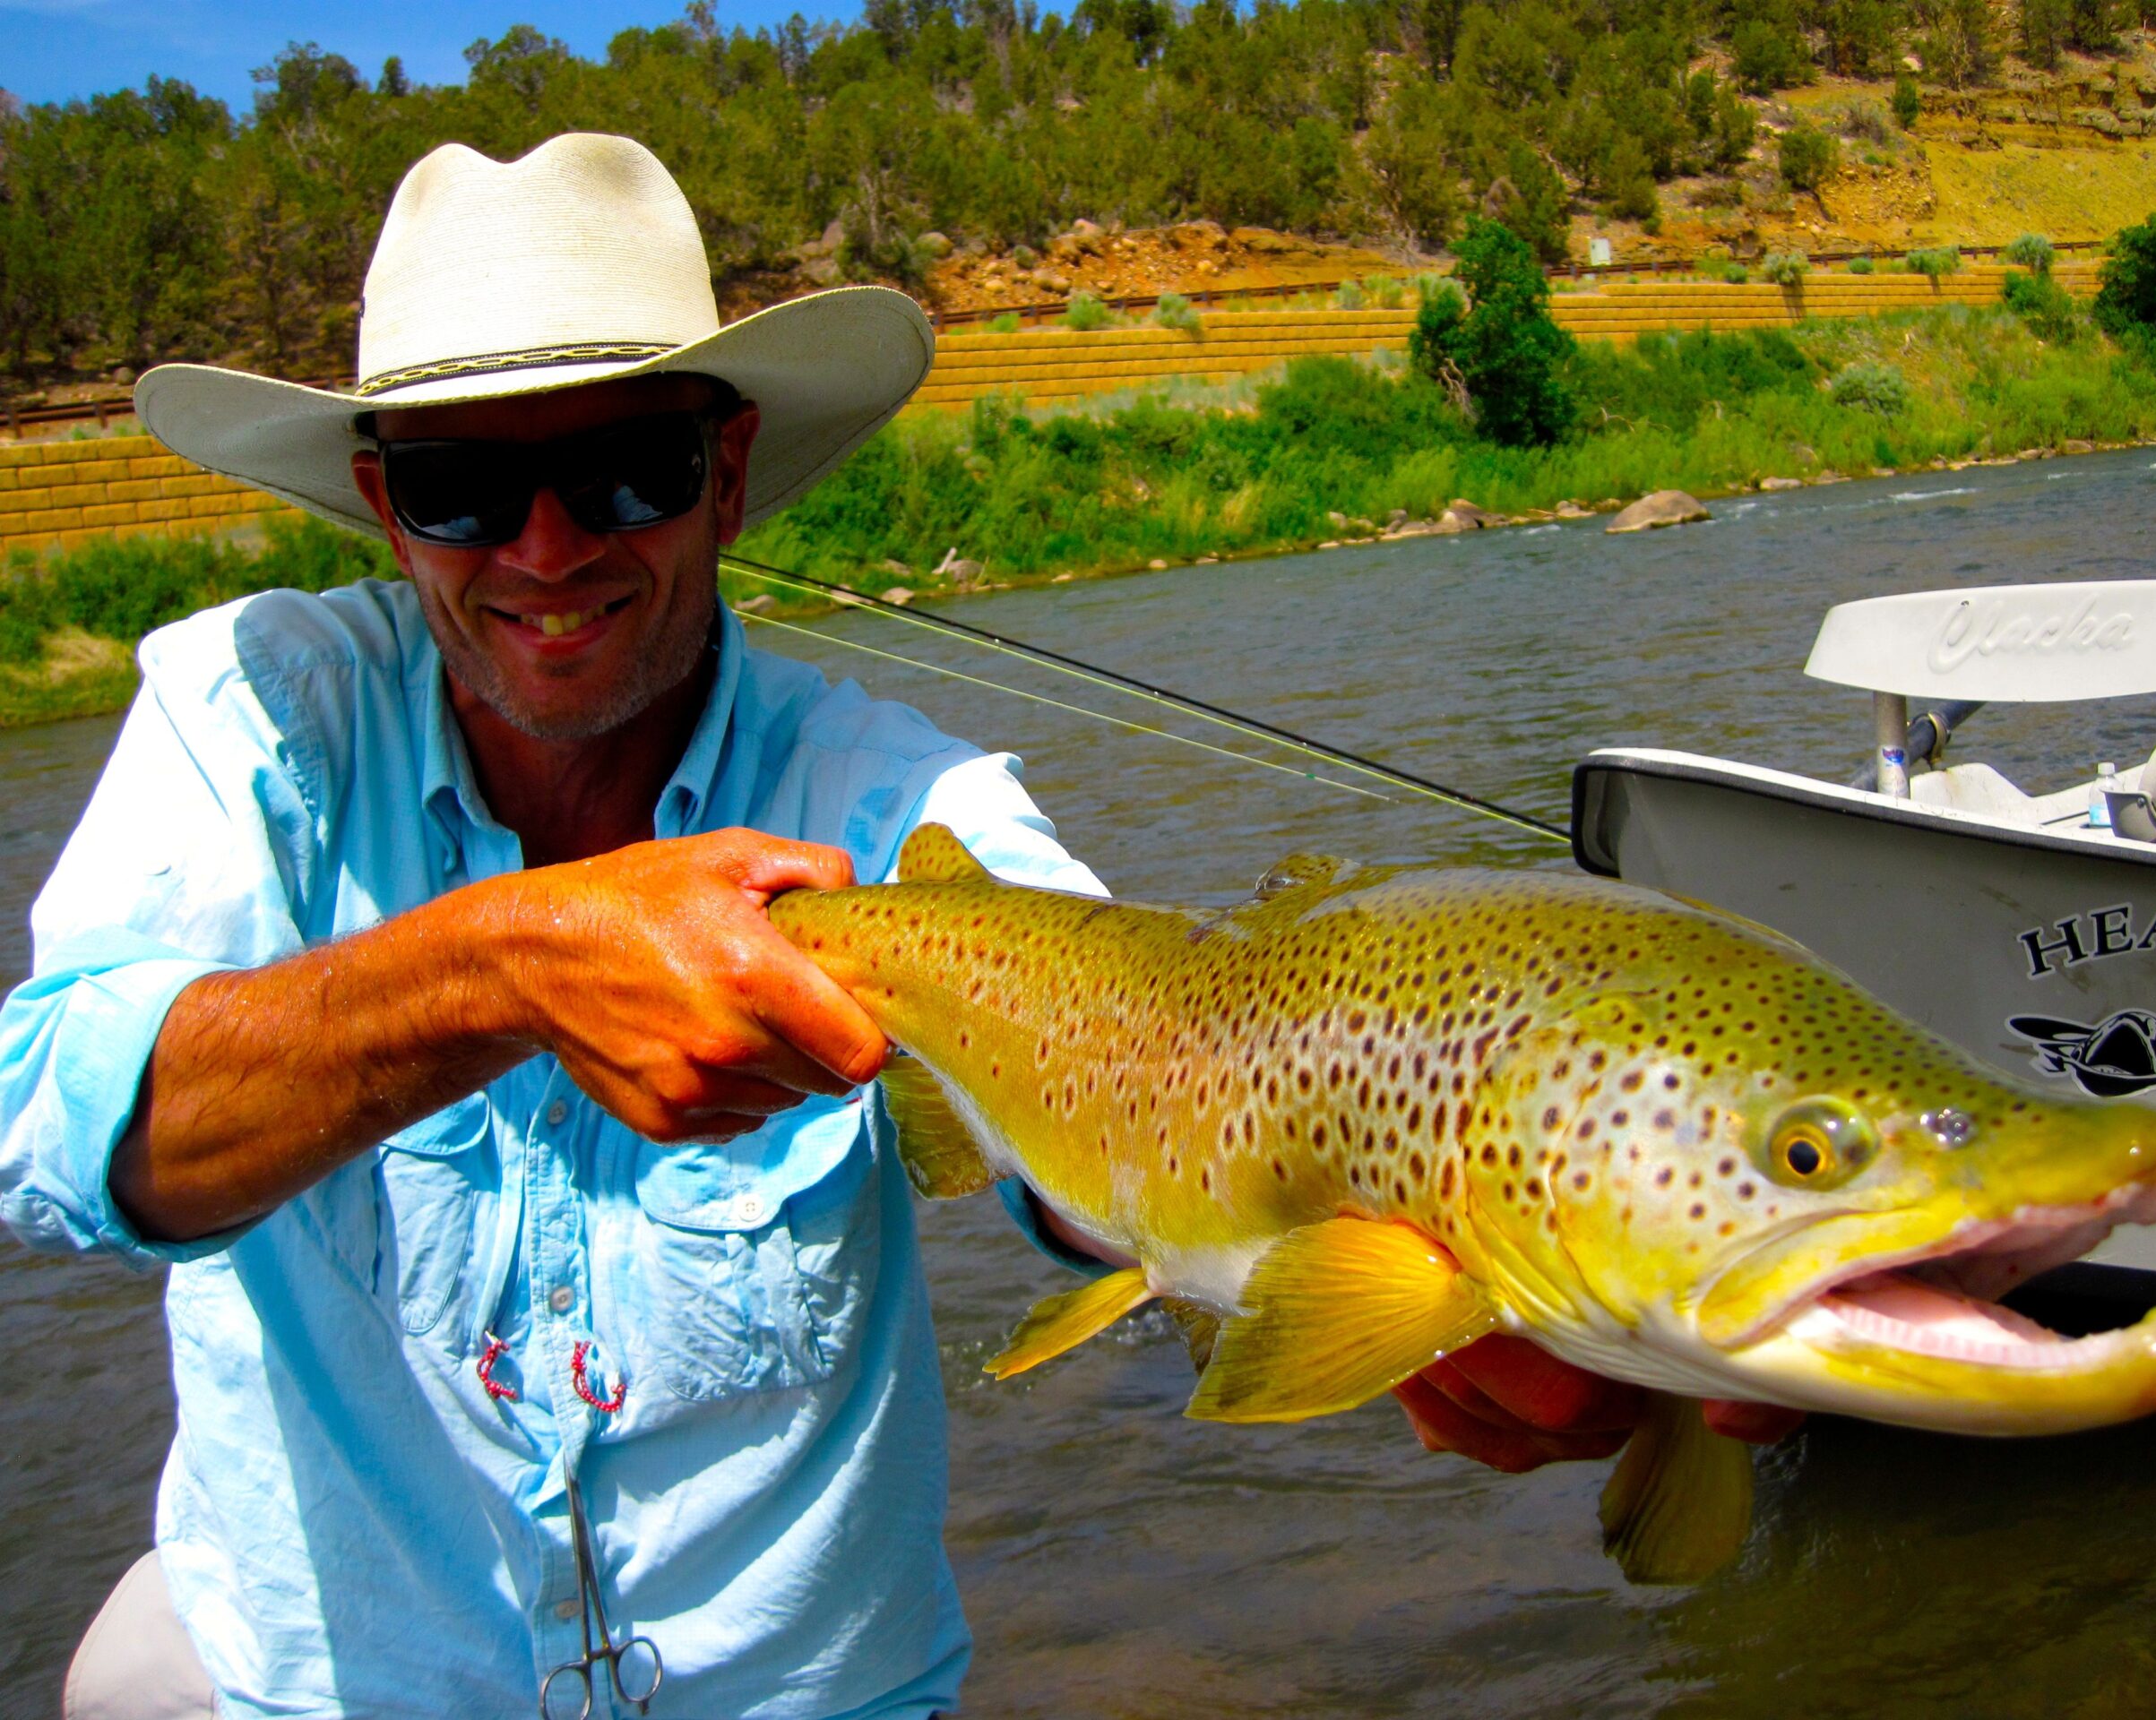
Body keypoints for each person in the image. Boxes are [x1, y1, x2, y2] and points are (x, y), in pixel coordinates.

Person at [0, 133, 1791, 1720]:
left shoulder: (895, 809)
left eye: (621, 469)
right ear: (383, 504)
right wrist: (497, 967)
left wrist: (1402, 1264)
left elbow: (1131, 1090)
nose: (543, 551)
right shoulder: (248, 723)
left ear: (725, 470)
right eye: (464, 487)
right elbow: (57, 1126)